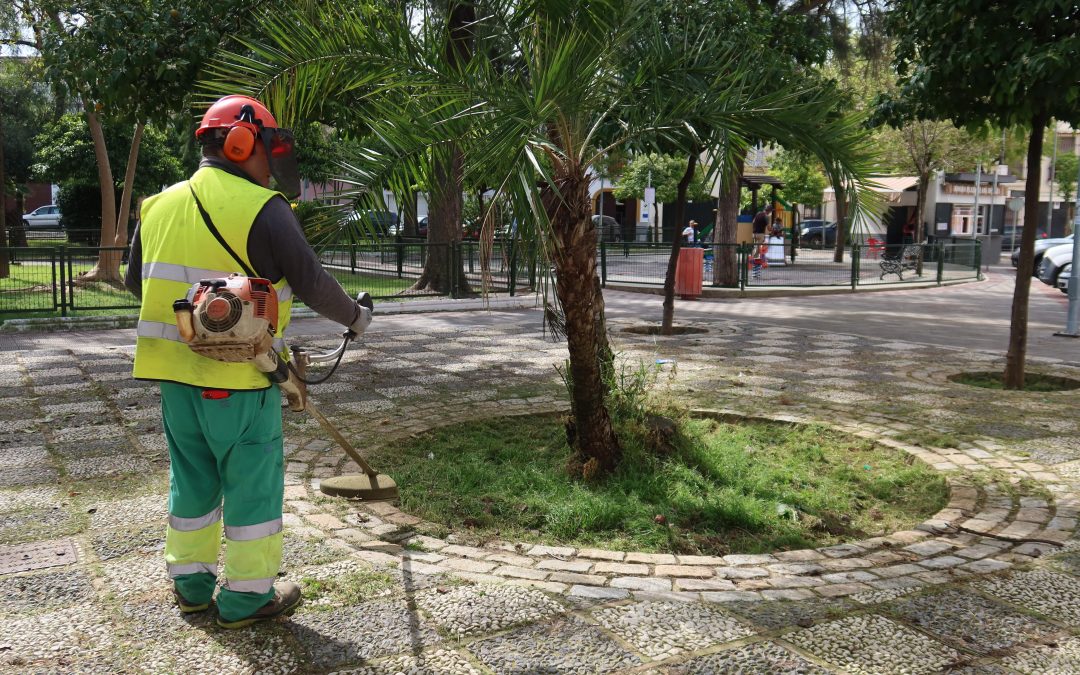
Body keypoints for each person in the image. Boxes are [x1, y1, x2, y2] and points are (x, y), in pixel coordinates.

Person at [124, 95, 372, 629]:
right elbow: (312, 284)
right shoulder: (265, 208)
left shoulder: (157, 206)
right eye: (267, 148)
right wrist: (357, 319)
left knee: (191, 482)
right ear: (241, 144)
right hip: (241, 379)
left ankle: (190, 588)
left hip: (174, 379)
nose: (270, 161)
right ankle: (246, 598)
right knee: (251, 486)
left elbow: (132, 280)